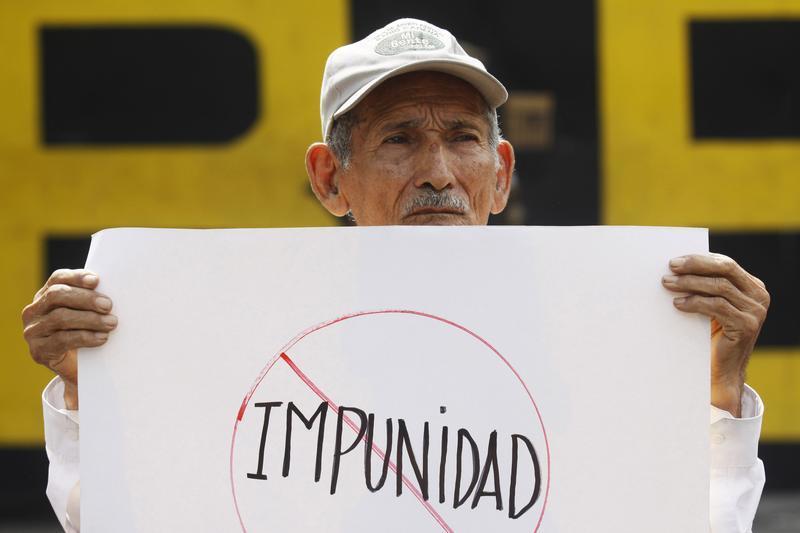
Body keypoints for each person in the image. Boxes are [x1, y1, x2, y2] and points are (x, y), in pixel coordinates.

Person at [22, 18, 769, 532]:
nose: (438, 173)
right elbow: (131, 517)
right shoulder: (247, 344)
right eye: (400, 139)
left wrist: (718, 389)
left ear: (501, 173)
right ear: (328, 178)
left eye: (463, 139)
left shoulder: (599, 341)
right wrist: (92, 388)